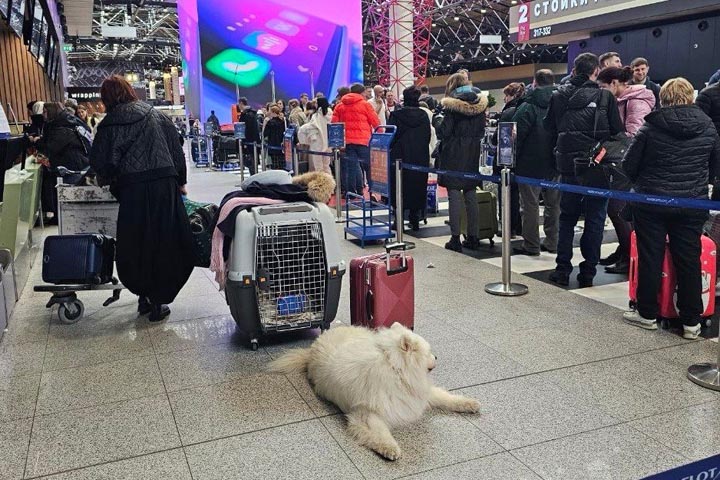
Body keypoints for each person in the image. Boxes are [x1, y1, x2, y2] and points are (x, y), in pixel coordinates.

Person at [90, 75, 194, 322]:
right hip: (163, 185)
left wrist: (108, 179)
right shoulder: (154, 114)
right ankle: (157, 300)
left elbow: (100, 163)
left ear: (105, 98)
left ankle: (143, 295)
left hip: (132, 189)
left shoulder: (108, 124)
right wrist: (180, 181)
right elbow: (175, 149)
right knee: (166, 240)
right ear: (129, 91)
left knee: (136, 242)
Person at [622, 78, 720, 340]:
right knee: (689, 260)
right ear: (690, 97)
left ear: (663, 98)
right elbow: (715, 168)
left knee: (650, 256)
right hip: (692, 203)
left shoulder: (650, 127)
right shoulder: (708, 127)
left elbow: (628, 166)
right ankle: (691, 322)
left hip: (652, 202)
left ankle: (647, 314)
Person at [544, 52, 625, 287]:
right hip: (597, 167)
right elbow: (616, 132)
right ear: (595, 72)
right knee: (595, 218)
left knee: (567, 216)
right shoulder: (604, 97)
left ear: (574, 70)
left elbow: (549, 126)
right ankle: (588, 271)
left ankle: (561, 268)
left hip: (568, 166)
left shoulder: (558, 95)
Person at [597, 66, 656, 274]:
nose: (601, 91)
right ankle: (624, 251)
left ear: (614, 83)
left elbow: (634, 135)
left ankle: (629, 256)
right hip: (621, 162)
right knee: (616, 209)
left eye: (603, 86)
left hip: (628, 163)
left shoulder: (636, 101)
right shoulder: (620, 100)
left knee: (619, 209)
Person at [511, 69, 560, 257]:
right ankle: (553, 241)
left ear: (534, 82)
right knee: (553, 204)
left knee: (530, 205)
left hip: (530, 163)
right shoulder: (562, 101)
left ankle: (531, 244)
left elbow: (516, 134)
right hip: (555, 161)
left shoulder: (528, 105)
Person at [436, 73, 488, 252]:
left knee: (454, 194)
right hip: (473, 151)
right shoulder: (480, 105)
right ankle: (473, 236)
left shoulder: (451, 106)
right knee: (470, 193)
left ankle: (455, 238)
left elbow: (444, 131)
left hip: (453, 153)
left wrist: (437, 120)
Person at [387, 85, 431, 231]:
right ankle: (415, 218)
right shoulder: (424, 116)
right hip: (419, 156)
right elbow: (427, 137)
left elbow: (389, 137)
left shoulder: (396, 115)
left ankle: (398, 219)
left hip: (400, 156)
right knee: (417, 186)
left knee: (398, 186)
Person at [331, 83, 381, 195]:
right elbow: (375, 122)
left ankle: (351, 193)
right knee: (369, 167)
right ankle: (373, 192)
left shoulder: (339, 106)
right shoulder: (365, 104)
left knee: (351, 168)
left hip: (348, 142)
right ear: (362, 92)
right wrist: (380, 135)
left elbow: (334, 124)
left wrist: (338, 142)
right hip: (364, 141)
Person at [496, 82, 525, 238]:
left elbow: (497, 139)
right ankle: (519, 227)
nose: (504, 98)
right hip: (524, 159)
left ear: (512, 96)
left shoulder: (508, 112)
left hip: (508, 159)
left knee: (507, 194)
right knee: (522, 197)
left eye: (506, 95)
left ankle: (508, 227)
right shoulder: (527, 108)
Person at [297, 97, 333, 174]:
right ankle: (329, 182)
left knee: (318, 166)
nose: (315, 104)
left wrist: (302, 129)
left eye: (316, 103)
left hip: (317, 143)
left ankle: (322, 182)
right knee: (326, 165)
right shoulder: (331, 115)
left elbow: (311, 126)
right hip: (328, 143)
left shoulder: (317, 115)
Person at [237, 97, 261, 175]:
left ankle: (253, 176)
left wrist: (244, 142)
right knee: (253, 160)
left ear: (241, 103)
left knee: (251, 161)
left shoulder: (246, 114)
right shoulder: (252, 113)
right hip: (254, 141)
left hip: (249, 141)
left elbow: (247, 129)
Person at [263, 105, 287, 170]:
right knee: (282, 165)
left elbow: (265, 134)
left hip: (272, 147)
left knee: (275, 165)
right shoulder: (282, 122)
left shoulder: (270, 123)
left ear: (273, 112)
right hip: (282, 147)